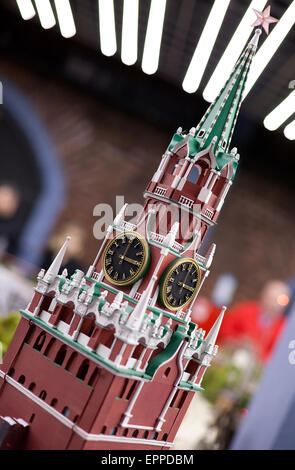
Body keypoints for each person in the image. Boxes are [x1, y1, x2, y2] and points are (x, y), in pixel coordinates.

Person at [220, 280, 290, 362]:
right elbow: (223, 333)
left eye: (278, 301)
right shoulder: (245, 310)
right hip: (230, 359)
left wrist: (259, 353)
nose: (273, 304)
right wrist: (239, 342)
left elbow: (279, 356)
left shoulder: (285, 327)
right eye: (271, 298)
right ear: (263, 296)